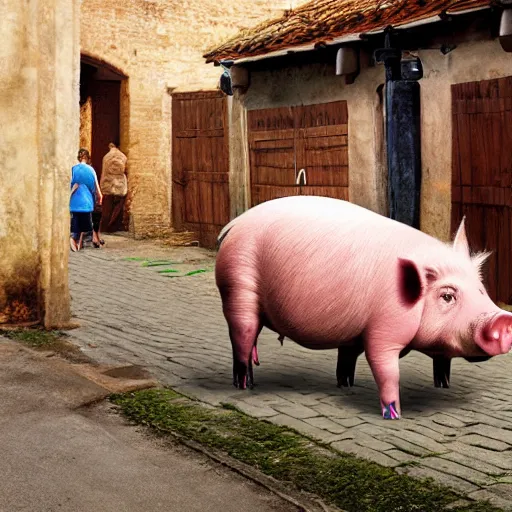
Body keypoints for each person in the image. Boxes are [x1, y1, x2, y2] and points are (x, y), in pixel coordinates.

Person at [70, 149, 103, 252]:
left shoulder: (73, 169)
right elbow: (97, 188)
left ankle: (75, 242)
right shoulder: (91, 170)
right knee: (84, 224)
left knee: (76, 222)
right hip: (87, 201)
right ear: (87, 158)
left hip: (74, 201)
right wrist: (100, 198)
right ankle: (78, 243)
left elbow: (70, 184)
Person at [99, 142, 128, 233]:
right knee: (118, 206)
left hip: (108, 185)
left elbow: (104, 171)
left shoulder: (106, 157)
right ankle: (113, 226)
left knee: (107, 207)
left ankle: (104, 227)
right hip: (119, 185)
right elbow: (125, 170)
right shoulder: (123, 156)